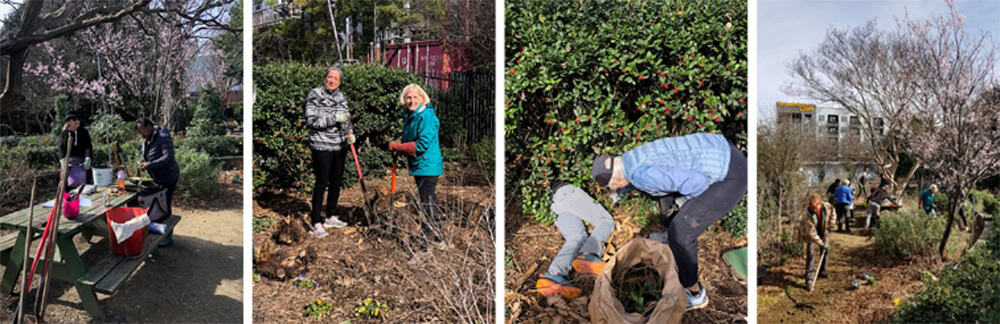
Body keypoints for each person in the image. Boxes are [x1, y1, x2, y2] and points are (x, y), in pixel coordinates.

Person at [590, 132, 746, 310]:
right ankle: (671, 239)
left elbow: (699, 183)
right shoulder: (630, 158)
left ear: (618, 181)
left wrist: (685, 206)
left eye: (615, 187)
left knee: (682, 230)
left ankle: (695, 293)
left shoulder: (641, 176)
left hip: (731, 176)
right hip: (724, 149)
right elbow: (662, 180)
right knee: (665, 201)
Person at [535, 183, 615, 300]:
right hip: (566, 192)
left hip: (553, 205)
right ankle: (589, 254)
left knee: (577, 237)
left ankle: (554, 274)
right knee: (605, 221)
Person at [388, 83, 444, 248]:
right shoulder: (409, 116)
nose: (411, 100)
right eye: (408, 97)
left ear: (422, 98)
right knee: (430, 201)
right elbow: (409, 141)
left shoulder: (426, 117)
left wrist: (397, 147)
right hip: (419, 165)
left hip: (428, 165)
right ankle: (439, 238)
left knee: (426, 205)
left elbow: (421, 145)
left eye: (415, 97)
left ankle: (425, 247)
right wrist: (401, 146)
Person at [305, 66, 355, 238]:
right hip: (321, 146)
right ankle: (316, 221)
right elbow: (312, 121)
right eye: (330, 77)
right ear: (325, 78)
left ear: (339, 81)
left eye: (336, 78)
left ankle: (331, 215)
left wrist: (350, 133)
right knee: (321, 182)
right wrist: (334, 118)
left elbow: (346, 118)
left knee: (336, 181)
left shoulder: (341, 96)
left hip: (339, 145)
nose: (332, 80)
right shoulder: (315, 94)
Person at [135, 118, 180, 246]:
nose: (141, 134)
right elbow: (147, 154)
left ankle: (167, 237)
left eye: (142, 130)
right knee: (157, 204)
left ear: (149, 126)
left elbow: (168, 157)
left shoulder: (162, 135)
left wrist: (150, 164)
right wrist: (143, 162)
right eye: (139, 132)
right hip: (157, 177)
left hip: (168, 176)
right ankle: (159, 231)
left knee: (164, 205)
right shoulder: (146, 138)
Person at [798, 193, 836, 292]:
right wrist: (821, 243)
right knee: (811, 254)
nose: (814, 210)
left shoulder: (827, 206)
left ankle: (822, 271)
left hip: (824, 230)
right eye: (812, 207)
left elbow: (833, 214)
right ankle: (809, 279)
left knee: (825, 251)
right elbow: (812, 233)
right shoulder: (807, 215)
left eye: (816, 207)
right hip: (811, 235)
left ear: (820, 203)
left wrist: (831, 225)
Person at [58, 111, 92, 188]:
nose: (77, 122)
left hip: (82, 162)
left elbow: (88, 146)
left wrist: (88, 157)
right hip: (69, 164)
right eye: (74, 120)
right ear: (69, 122)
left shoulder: (84, 132)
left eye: (78, 120)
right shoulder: (65, 133)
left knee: (83, 186)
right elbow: (61, 149)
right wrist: (63, 161)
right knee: (70, 187)